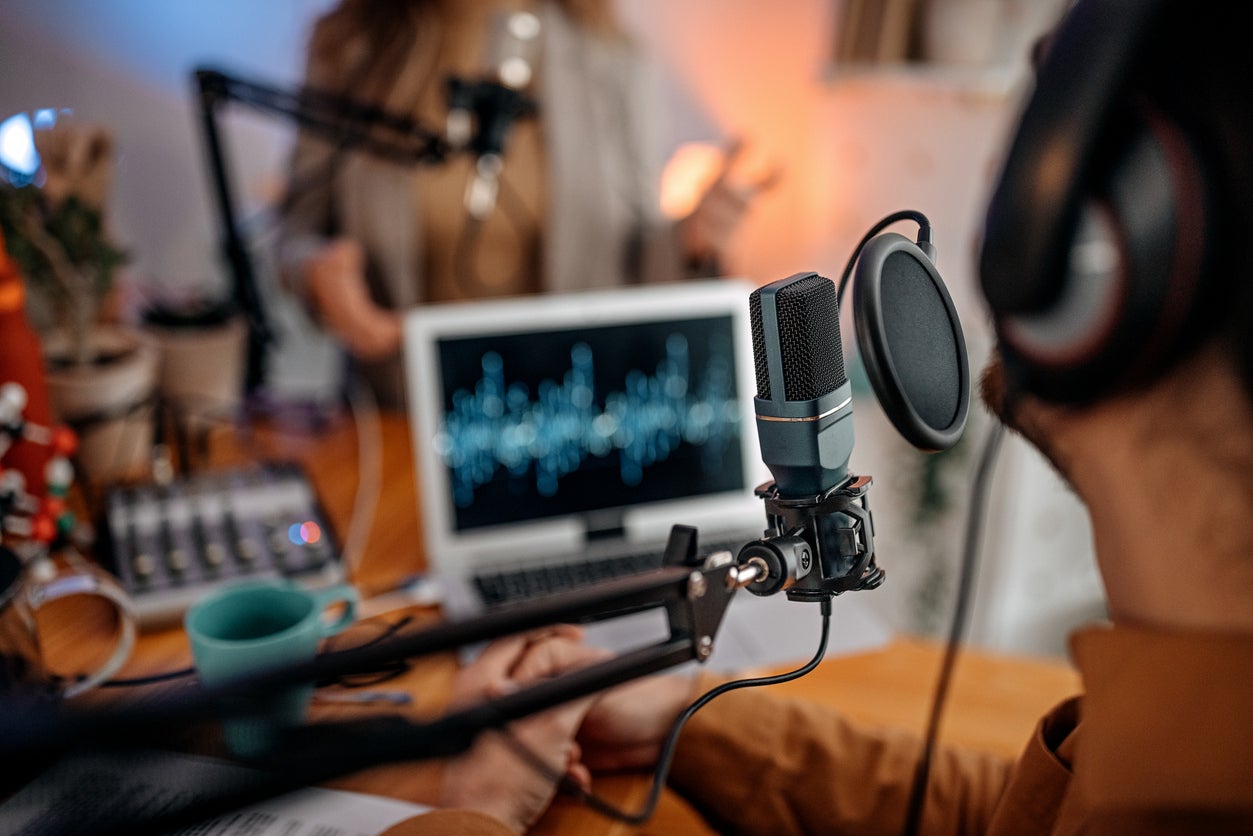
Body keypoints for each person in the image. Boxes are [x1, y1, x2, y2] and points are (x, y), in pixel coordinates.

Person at [377, 0, 1253, 832]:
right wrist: (685, 720)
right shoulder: (1186, 742)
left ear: (1102, 273)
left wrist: (478, 810)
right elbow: (1005, 813)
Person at [278, 0, 776, 409]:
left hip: (570, 413)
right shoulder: (348, 49)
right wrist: (316, 275)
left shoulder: (614, 59)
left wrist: (688, 239)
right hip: (401, 408)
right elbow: (293, 230)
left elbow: (635, 258)